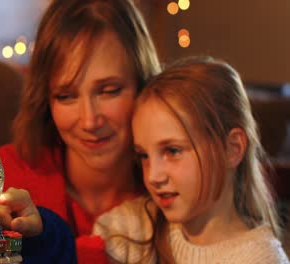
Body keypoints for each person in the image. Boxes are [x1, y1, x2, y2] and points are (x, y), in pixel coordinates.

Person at [0, 0, 160, 262]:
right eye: (66, 96)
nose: (90, 121)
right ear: (45, 99)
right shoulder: (3, 179)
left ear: (143, 85)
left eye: (109, 91)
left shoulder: (174, 189)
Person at [96, 56, 290, 263]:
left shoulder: (259, 259)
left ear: (232, 149)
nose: (153, 175)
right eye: (144, 155)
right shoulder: (128, 231)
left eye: (172, 151)